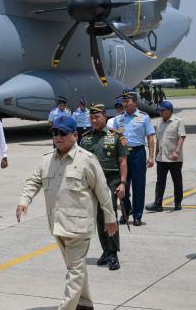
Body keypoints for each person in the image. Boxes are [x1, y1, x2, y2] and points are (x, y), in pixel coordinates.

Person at [17, 115, 118, 309]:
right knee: (76, 267)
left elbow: (103, 190)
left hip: (79, 227)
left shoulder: (87, 160)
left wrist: (110, 218)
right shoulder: (47, 160)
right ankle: (86, 303)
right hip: (57, 225)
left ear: (75, 135)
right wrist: (24, 200)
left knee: (74, 269)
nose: (58, 137)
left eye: (63, 133)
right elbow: (33, 181)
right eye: (55, 133)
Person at [80, 104, 127, 271]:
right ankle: (106, 250)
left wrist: (122, 183)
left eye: (96, 117)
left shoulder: (115, 136)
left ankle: (114, 253)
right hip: (92, 183)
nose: (93, 120)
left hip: (110, 180)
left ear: (104, 116)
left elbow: (122, 161)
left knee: (110, 215)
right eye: (91, 117)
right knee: (99, 218)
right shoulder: (85, 138)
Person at [113, 89, 155, 226]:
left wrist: (151, 156)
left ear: (135, 102)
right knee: (122, 185)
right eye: (123, 102)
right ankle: (126, 210)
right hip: (123, 155)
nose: (125, 104)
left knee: (138, 186)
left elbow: (150, 137)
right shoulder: (118, 119)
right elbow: (113, 137)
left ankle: (137, 215)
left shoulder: (144, 117)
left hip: (138, 154)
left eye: (127, 101)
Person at [145, 100, 186, 212]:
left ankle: (178, 202)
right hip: (161, 158)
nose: (160, 113)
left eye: (162, 110)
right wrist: (154, 155)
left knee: (177, 181)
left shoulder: (178, 121)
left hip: (174, 158)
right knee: (160, 182)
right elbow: (158, 140)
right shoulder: (159, 123)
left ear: (169, 110)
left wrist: (177, 151)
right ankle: (158, 204)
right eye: (159, 111)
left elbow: (181, 137)